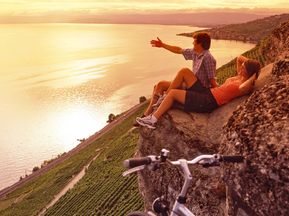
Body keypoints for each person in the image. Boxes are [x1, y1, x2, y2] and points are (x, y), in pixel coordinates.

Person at [136, 56, 261, 129]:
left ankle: (153, 119)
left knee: (173, 93)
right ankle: (162, 100)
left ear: (249, 73)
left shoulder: (243, 86)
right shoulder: (239, 77)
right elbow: (239, 58)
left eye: (244, 68)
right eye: (242, 66)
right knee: (184, 72)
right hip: (206, 92)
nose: (241, 68)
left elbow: (246, 84)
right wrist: (249, 64)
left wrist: (255, 75)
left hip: (207, 102)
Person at [142, 32, 218, 118]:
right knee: (160, 85)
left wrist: (218, 93)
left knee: (184, 71)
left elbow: (212, 79)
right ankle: (147, 113)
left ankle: (164, 98)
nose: (193, 43)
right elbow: (179, 50)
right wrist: (163, 45)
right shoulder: (195, 52)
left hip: (201, 90)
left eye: (194, 41)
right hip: (191, 85)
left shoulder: (208, 57)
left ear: (200, 44)